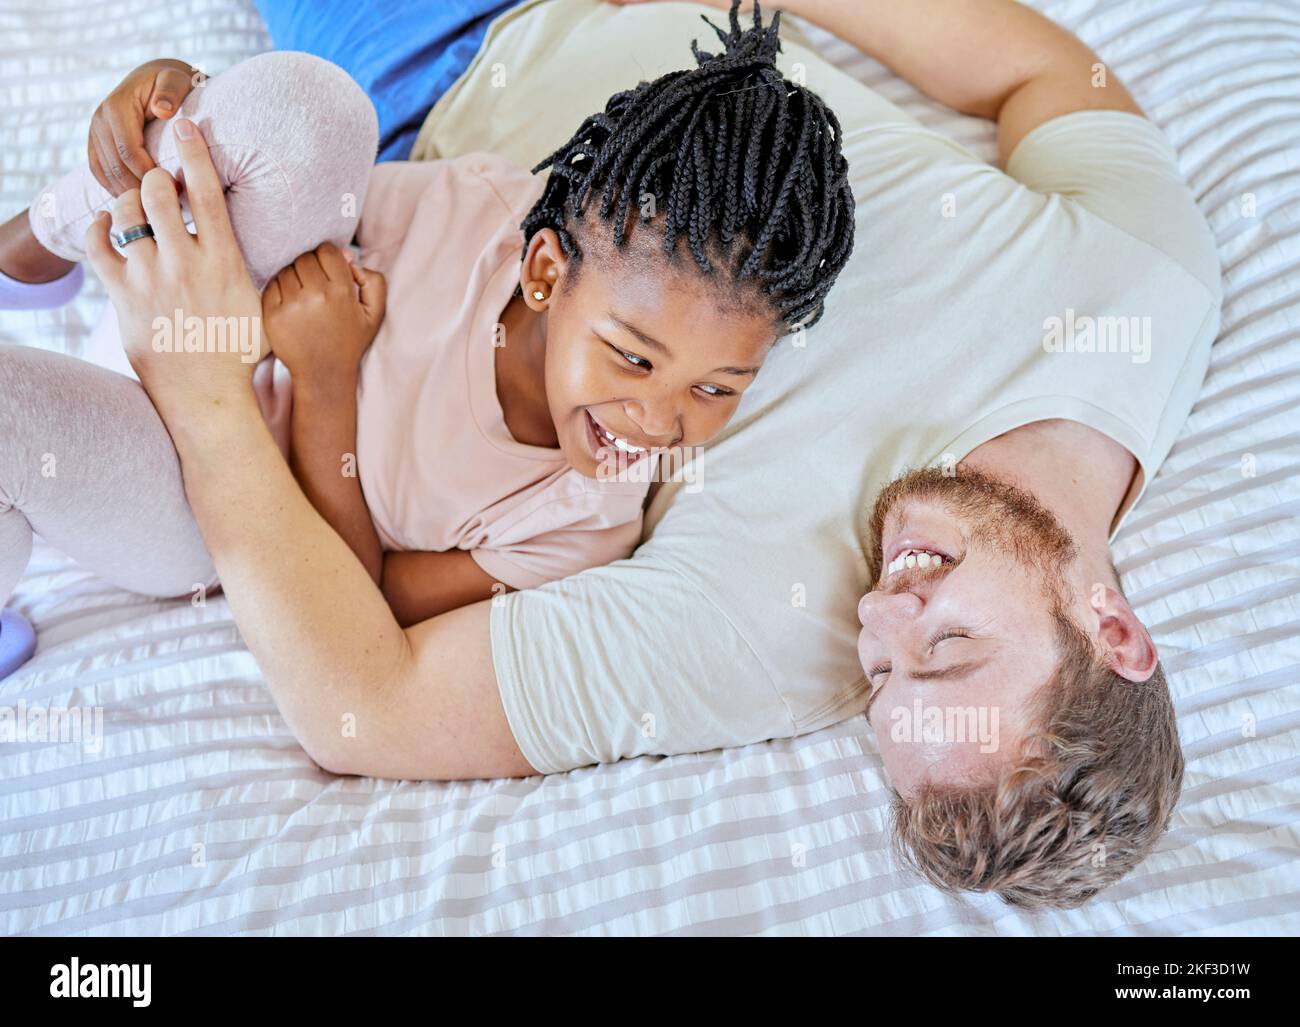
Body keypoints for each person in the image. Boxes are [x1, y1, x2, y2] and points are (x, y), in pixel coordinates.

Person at [4, 0, 1222, 908]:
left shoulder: (760, 638)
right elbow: (1040, 68)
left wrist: (199, 383)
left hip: (410, 97)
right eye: (948, 645)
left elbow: (362, 701)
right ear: (1112, 627)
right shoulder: (1146, 294)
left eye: (892, 682)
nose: (885, 621)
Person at [0, 3, 855, 630]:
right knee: (321, 111)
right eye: (634, 359)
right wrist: (198, 106)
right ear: (547, 271)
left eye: (715, 387)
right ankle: (41, 237)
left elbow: (354, 594)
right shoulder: (490, 216)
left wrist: (325, 377)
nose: (662, 421)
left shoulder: (578, 525)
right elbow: (289, 196)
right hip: (184, 299)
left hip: (194, 498)